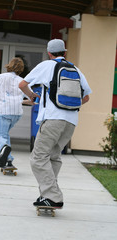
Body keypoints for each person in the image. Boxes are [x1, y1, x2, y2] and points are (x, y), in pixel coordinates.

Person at [19, 39, 92, 208]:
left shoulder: (47, 66)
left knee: (38, 157)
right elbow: (86, 97)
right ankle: (47, 195)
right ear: (64, 52)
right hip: (71, 122)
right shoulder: (76, 70)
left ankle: (53, 196)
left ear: (49, 53)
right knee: (53, 157)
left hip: (53, 119)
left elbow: (22, 84)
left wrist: (31, 95)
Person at [0, 57, 33, 169]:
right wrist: (21, 101)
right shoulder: (22, 81)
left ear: (9, 65)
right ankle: (9, 160)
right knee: (5, 134)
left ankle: (4, 149)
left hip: (3, 111)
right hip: (16, 113)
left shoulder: (1, 77)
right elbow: (31, 100)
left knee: (1, 136)